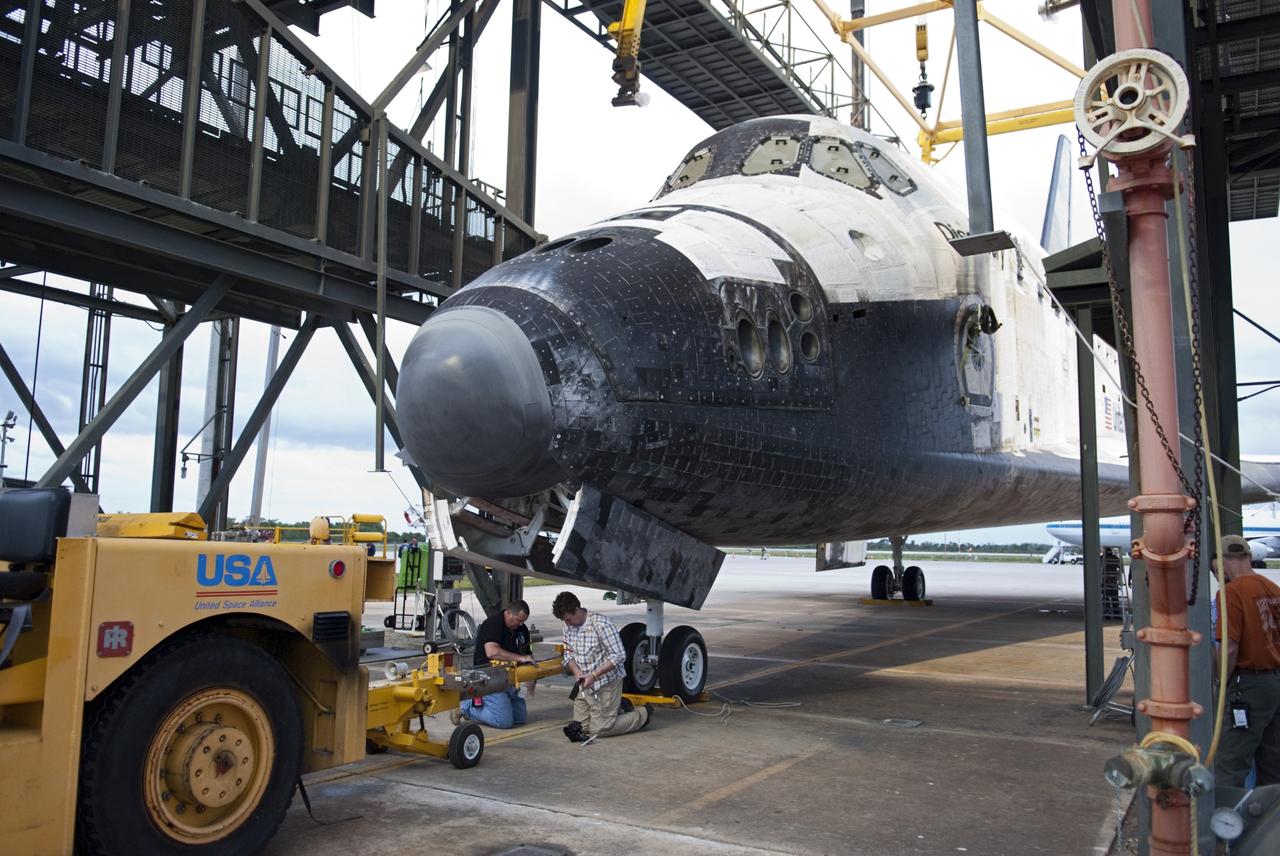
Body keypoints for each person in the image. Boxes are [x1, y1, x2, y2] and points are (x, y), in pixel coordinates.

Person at [1213, 534, 1280, 788]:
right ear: (1249, 557)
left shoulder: (1230, 594)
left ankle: (1225, 822)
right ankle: (1269, 823)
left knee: (1231, 760)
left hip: (1249, 685)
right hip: (1274, 680)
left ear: (1222, 562)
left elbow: (1229, 647)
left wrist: (1221, 681)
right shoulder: (1272, 588)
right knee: (1272, 760)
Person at [553, 591, 651, 740]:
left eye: (568, 619)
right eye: (564, 620)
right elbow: (568, 655)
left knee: (599, 730)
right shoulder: (568, 627)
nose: (567, 623)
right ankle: (617, 709)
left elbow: (619, 655)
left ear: (577, 610)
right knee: (581, 728)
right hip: (585, 684)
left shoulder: (601, 624)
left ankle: (642, 714)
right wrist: (577, 672)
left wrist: (594, 675)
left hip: (607, 681)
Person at [454, 600, 537, 729]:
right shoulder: (492, 624)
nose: (520, 624)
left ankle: (495, 705)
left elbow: (528, 657)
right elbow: (491, 652)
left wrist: (532, 677)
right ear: (508, 613)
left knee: (520, 719)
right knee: (504, 722)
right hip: (490, 678)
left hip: (509, 678)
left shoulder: (522, 630)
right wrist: (520, 658)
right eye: (518, 620)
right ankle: (467, 707)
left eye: (523, 621)